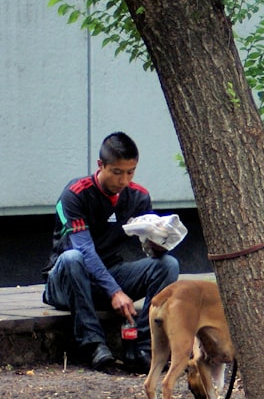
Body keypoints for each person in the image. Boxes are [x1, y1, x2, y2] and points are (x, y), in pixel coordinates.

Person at [43, 132, 180, 372]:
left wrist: (158, 244)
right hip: (67, 281)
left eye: (131, 172)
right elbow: (83, 249)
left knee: (168, 265)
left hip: (109, 273)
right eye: (117, 172)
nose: (124, 180)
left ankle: (145, 347)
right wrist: (115, 291)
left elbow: (147, 249)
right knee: (73, 258)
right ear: (101, 166)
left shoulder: (138, 196)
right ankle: (94, 346)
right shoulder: (75, 194)